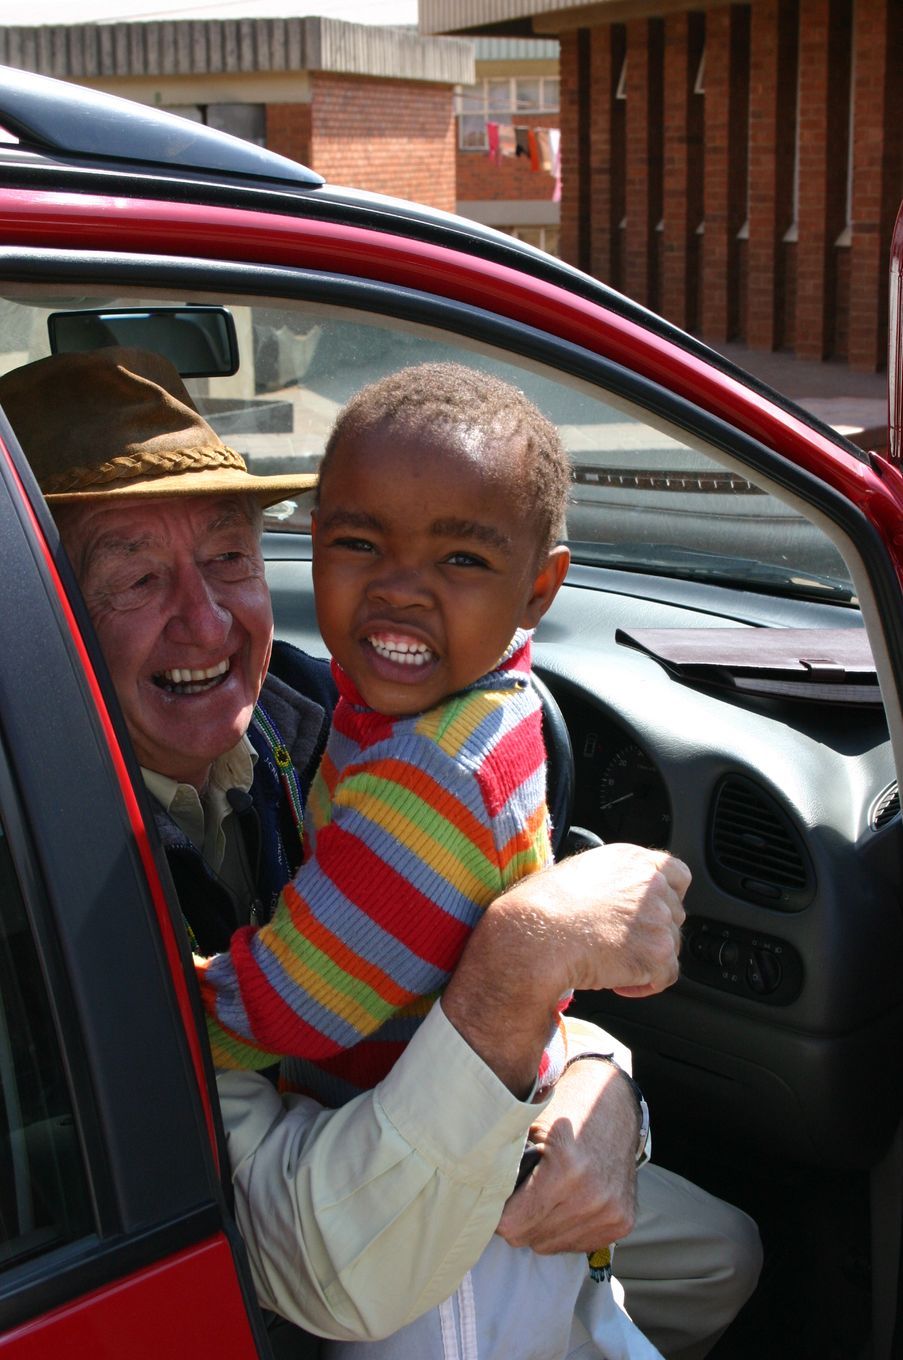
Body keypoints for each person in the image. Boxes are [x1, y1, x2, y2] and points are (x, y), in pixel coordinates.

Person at [0, 345, 761, 1358]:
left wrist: (596, 1083)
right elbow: (321, 1267)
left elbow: (473, 908)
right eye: (136, 577)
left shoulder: (315, 708)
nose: (210, 621)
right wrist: (527, 957)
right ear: (39, 624)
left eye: (229, 556)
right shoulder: (49, 869)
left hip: (455, 1119)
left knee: (725, 1250)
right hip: (323, 1246)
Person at [192, 361, 659, 1359]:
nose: (399, 590)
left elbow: (298, 995)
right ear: (311, 546)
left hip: (446, 1242)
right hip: (431, 1182)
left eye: (459, 561)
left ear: (540, 588)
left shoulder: (432, 773)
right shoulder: (468, 710)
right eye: (359, 543)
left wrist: (189, 1007)